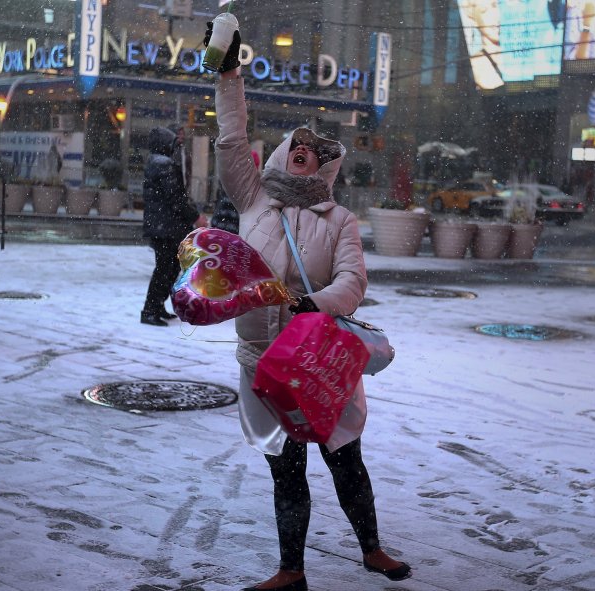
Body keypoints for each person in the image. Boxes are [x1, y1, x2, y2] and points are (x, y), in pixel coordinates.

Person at [206, 24, 411, 591]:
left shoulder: (339, 220)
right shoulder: (252, 197)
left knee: (345, 459)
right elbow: (230, 138)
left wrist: (309, 303)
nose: (304, 157)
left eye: (316, 155)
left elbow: (354, 281)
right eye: (298, 150)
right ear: (283, 155)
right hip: (260, 359)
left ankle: (372, 549)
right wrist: (228, 73)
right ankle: (290, 570)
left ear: (326, 168)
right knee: (286, 469)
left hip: (320, 358)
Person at [141, 126, 207, 327]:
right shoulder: (166, 167)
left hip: (162, 226)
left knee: (167, 268)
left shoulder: (156, 165)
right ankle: (151, 309)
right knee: (166, 269)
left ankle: (156, 306)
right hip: (167, 227)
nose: (176, 146)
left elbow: (174, 198)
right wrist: (195, 217)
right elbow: (177, 199)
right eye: (173, 143)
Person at [211, 150, 259, 234]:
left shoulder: (229, 184)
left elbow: (217, 217)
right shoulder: (245, 190)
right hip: (232, 237)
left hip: (222, 235)